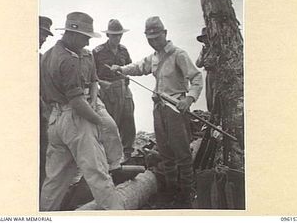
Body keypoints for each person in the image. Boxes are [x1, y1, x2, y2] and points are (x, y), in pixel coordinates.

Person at [111, 16, 203, 208]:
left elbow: (196, 77)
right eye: (149, 38)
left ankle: (186, 196)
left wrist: (189, 99)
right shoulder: (153, 57)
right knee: (165, 154)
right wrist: (121, 69)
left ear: (165, 34)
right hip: (158, 109)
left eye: (156, 37)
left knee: (183, 155)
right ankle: (171, 192)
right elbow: (138, 67)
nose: (153, 41)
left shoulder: (179, 54)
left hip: (176, 110)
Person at [40, 12, 124, 211]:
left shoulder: (82, 53)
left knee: (55, 179)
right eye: (85, 36)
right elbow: (77, 102)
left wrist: (94, 102)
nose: (88, 41)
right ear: (72, 34)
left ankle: (43, 214)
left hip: (63, 118)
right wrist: (96, 120)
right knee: (97, 172)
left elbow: (94, 80)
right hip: (75, 116)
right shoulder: (63, 59)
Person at [93, 19, 136, 161]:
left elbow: (130, 66)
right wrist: (102, 83)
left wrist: (126, 79)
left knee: (128, 119)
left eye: (119, 35)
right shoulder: (98, 52)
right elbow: (91, 75)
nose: (117, 38)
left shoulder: (124, 50)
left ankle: (128, 153)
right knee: (111, 123)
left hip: (124, 88)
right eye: (114, 35)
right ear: (108, 35)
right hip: (108, 90)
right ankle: (111, 158)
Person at [39, 16, 53, 191]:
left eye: (45, 36)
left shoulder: (41, 59)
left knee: (43, 155)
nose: (43, 39)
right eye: (40, 34)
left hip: (40, 114)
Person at [195, 27, 217, 112]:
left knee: (216, 97)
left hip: (217, 75)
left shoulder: (216, 48)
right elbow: (198, 64)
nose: (205, 40)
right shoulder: (204, 50)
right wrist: (202, 53)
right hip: (209, 75)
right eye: (203, 38)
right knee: (209, 97)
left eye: (206, 37)